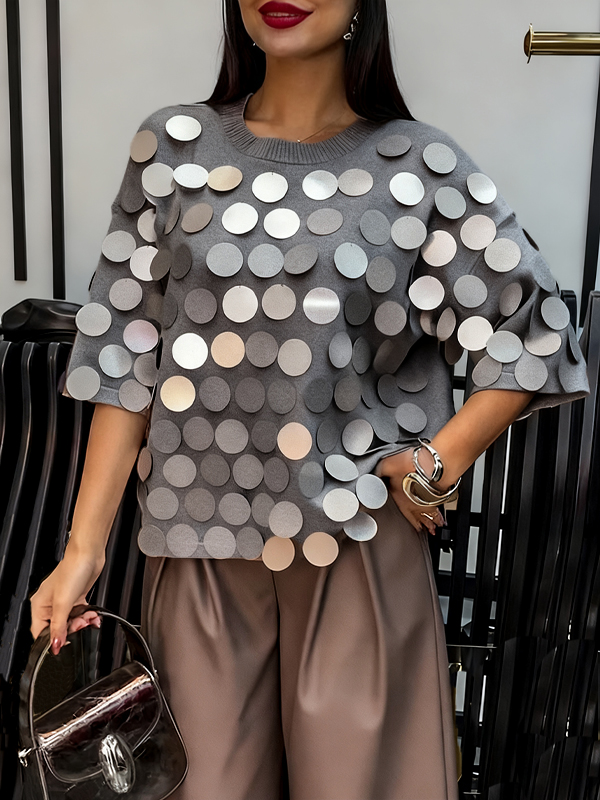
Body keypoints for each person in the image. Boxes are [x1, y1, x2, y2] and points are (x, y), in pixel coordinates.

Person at [29, 1, 589, 798]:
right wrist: (83, 549)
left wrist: (435, 462)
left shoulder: (417, 167)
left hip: (355, 544)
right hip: (198, 547)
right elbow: (125, 358)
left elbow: (534, 328)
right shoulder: (172, 149)